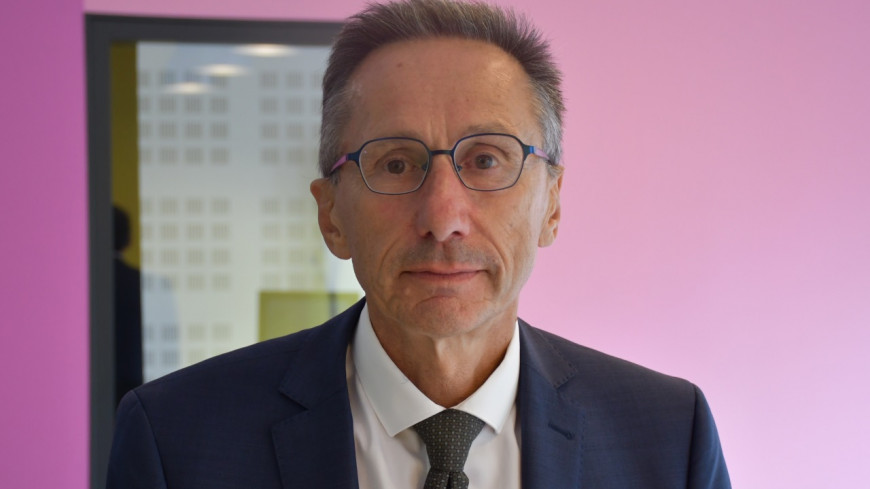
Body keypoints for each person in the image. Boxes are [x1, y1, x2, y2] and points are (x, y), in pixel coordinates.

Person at [106, 1, 731, 488]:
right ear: (331, 215)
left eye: (486, 159)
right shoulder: (177, 440)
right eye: (397, 164)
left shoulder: (668, 437)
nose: (443, 218)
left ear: (552, 204)